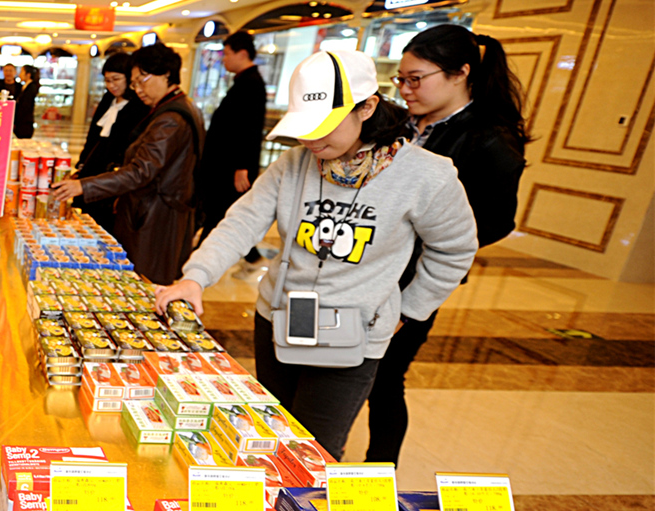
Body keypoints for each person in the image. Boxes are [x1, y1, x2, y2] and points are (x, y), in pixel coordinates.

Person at [154, 50, 478, 459]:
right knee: (269, 434)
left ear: (367, 107)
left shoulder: (427, 175)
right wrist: (195, 277)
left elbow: (455, 250)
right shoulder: (294, 164)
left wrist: (408, 310)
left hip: (355, 335)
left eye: (323, 127)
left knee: (314, 451)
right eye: (303, 128)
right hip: (279, 320)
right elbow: (243, 221)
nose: (310, 141)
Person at [364, 26, 529, 465]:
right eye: (401, 79)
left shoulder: (489, 140)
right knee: (350, 370)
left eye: (416, 79)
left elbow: (496, 222)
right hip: (367, 264)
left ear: (460, 73)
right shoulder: (402, 123)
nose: (406, 89)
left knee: (384, 378)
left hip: (415, 281)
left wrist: (432, 233)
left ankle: (378, 475)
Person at [51, 44, 205, 284]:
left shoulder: (170, 119)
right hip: (157, 210)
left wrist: (84, 186)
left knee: (144, 282)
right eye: (134, 84)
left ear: (166, 74)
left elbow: (141, 171)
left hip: (155, 217)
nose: (138, 90)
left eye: (142, 81)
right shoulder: (178, 106)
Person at [195, 31, 267, 264]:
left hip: (231, 168)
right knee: (220, 213)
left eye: (226, 54)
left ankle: (197, 262)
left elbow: (249, 128)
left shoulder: (251, 84)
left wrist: (242, 167)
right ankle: (250, 257)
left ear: (242, 54)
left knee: (220, 213)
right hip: (225, 165)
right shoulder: (243, 81)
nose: (223, 59)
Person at [72, 52, 149, 232]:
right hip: (92, 172)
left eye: (116, 79)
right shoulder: (108, 100)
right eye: (107, 81)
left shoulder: (138, 107)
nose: (111, 85)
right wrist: (82, 165)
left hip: (113, 178)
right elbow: (93, 138)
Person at [13, 64, 40, 139]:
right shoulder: (25, 86)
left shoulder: (31, 87)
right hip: (21, 122)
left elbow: (25, 106)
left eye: (21, 72)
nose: (19, 75)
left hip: (25, 123)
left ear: (28, 75)